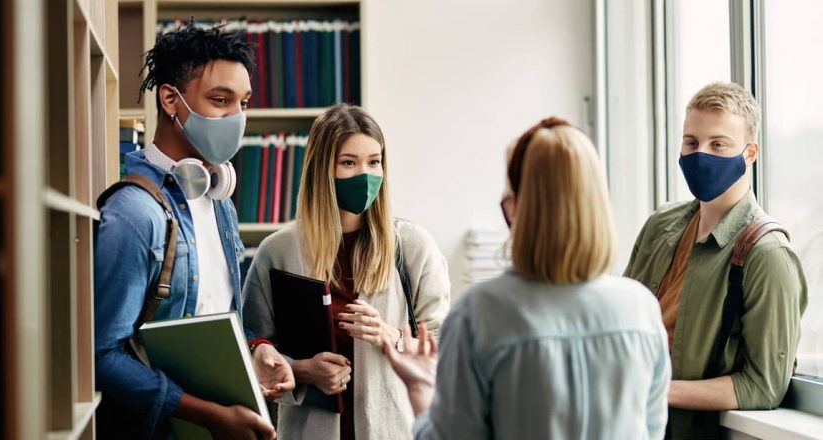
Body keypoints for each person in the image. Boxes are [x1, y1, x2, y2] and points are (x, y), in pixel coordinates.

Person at [383, 117, 671, 439]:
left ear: (518, 208)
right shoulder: (641, 309)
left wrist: (420, 389)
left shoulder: (480, 313)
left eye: (507, 197)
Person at [94, 25, 294, 439]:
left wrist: (256, 353)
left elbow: (214, 319)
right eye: (220, 100)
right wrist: (209, 415)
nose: (236, 118)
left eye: (243, 103)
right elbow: (103, 356)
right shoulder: (134, 213)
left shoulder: (219, 199)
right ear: (171, 99)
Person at [243, 104, 451, 440]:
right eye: (348, 163)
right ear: (322, 169)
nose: (365, 175)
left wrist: (393, 338)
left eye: (374, 161)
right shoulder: (277, 251)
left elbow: (445, 349)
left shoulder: (413, 246)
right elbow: (252, 347)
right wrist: (301, 371)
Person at [624, 82, 808, 438]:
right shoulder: (660, 224)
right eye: (691, 142)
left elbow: (764, 384)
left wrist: (656, 390)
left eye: (718, 144)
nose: (700, 155)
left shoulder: (768, 256)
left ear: (750, 153)